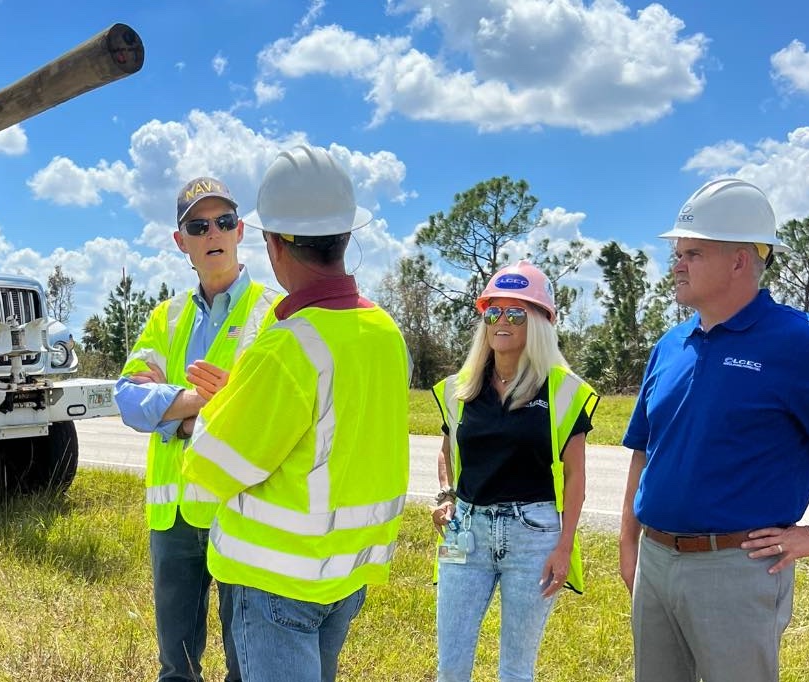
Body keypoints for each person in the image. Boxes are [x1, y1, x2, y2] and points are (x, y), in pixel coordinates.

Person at [182, 145, 411, 682]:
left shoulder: (287, 347)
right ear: (345, 237)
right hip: (347, 576)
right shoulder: (386, 334)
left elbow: (210, 469)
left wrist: (224, 405)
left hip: (275, 583)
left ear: (275, 242)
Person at [619, 178, 809, 682]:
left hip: (737, 569)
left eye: (693, 252)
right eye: (677, 252)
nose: (677, 264)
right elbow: (645, 450)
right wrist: (630, 544)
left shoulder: (801, 344)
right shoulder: (670, 345)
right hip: (656, 561)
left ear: (739, 261)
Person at [115, 175, 280, 682]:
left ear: (240, 230)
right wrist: (197, 401)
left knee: (245, 661)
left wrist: (177, 418)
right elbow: (127, 398)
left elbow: (267, 411)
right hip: (174, 519)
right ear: (180, 240)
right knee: (176, 666)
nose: (213, 233)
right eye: (199, 225)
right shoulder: (166, 317)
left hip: (239, 511)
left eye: (224, 222)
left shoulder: (273, 313)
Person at [430, 261, 598, 682]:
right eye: (493, 312)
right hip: (463, 534)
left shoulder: (563, 391)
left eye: (516, 313)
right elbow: (448, 449)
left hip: (534, 537)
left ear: (540, 323)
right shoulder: (460, 388)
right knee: (449, 667)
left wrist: (564, 546)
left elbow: (576, 477)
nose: (501, 321)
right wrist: (446, 495)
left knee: (516, 670)